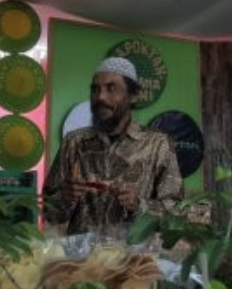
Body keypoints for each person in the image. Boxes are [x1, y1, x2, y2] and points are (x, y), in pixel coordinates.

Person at [42, 57, 184, 235]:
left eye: (112, 88)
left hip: (135, 260)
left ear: (133, 96)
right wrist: (65, 198)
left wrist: (139, 204)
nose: (100, 97)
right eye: (95, 89)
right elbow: (49, 213)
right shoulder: (74, 143)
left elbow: (176, 216)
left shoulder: (158, 145)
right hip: (81, 260)